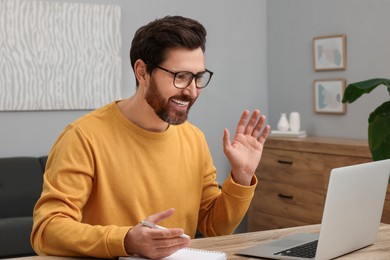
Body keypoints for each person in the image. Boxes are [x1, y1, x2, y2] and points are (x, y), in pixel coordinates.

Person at [31, 15, 270, 259]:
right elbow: (47, 230)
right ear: (142, 72)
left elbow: (214, 227)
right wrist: (126, 241)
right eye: (180, 76)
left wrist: (242, 176)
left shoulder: (194, 138)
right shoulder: (83, 137)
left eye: (198, 77)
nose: (191, 90)